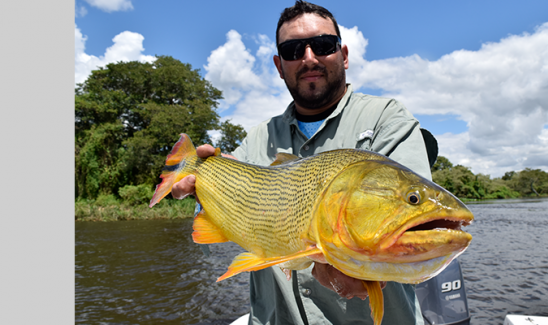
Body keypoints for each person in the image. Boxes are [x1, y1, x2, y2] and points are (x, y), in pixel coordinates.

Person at [172, 1, 431, 324]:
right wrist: (201, 188)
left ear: (344, 55)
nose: (309, 58)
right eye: (294, 50)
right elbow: (220, 209)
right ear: (280, 66)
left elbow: (416, 227)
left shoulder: (387, 119)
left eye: (323, 45)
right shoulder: (257, 139)